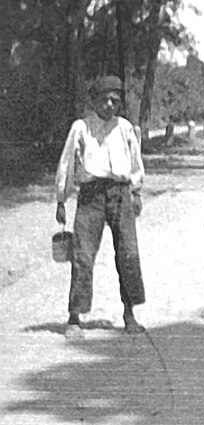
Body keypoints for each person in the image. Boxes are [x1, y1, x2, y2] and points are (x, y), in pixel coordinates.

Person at [54, 75, 146, 339]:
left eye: (114, 100)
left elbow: (135, 164)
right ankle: (74, 317)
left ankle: (129, 314)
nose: (109, 104)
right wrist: (61, 199)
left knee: (128, 253)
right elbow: (67, 164)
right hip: (91, 197)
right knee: (82, 256)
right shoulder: (81, 128)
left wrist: (136, 192)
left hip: (120, 194)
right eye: (104, 99)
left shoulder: (125, 128)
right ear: (93, 100)